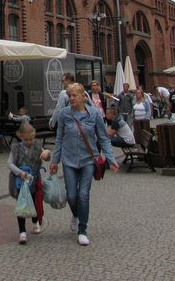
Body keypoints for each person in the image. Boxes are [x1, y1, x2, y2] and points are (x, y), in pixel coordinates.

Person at [49, 83, 119, 246]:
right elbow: (59, 139)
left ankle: (82, 230)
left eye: (74, 95)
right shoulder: (64, 114)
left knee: (83, 194)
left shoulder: (94, 114)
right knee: (72, 195)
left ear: (82, 96)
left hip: (89, 159)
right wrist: (54, 160)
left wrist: (111, 159)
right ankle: (76, 214)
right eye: (69, 96)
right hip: (69, 159)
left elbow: (102, 138)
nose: (71, 98)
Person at [7, 121, 51, 244]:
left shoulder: (37, 146)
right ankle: (22, 232)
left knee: (34, 202)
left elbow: (46, 157)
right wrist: (19, 172)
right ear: (20, 136)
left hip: (33, 181)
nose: (29, 142)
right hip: (19, 182)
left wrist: (47, 153)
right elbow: (9, 163)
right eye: (26, 139)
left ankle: (35, 221)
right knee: (21, 205)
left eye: (31, 139)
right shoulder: (15, 148)